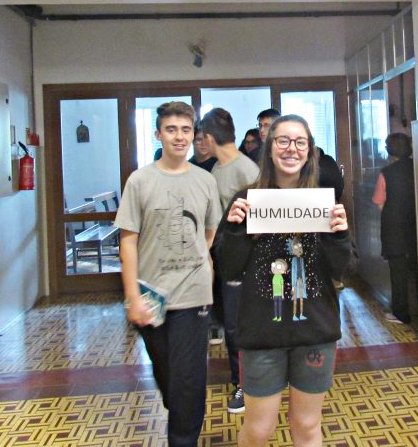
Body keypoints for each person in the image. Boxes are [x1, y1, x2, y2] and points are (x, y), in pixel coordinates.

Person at [215, 114, 353, 447]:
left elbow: (341, 270)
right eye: (283, 140)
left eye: (300, 142)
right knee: (259, 429)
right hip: (262, 333)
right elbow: (229, 270)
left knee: (307, 424)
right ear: (269, 147)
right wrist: (234, 230)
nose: (292, 148)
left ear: (309, 150)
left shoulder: (324, 203)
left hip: (315, 332)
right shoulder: (246, 200)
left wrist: (340, 236)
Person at [114, 101, 222, 447]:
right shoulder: (140, 181)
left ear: (194, 135)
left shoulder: (205, 180)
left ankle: (183, 437)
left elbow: (209, 231)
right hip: (152, 295)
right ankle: (180, 406)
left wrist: (199, 260)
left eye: (186, 130)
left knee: (189, 378)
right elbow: (128, 241)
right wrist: (132, 296)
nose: (179, 137)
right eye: (171, 129)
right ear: (157, 134)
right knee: (169, 374)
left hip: (194, 293)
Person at [200, 107, 260, 414]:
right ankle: (243, 380)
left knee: (239, 327)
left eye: (201, 138)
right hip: (224, 259)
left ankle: (245, 386)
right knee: (231, 325)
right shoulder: (217, 169)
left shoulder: (246, 170)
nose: (199, 144)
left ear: (210, 138)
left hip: (245, 262)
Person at [372, 132, 418, 325]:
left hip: (395, 230)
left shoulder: (387, 172)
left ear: (390, 150)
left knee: (398, 273)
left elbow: (378, 201)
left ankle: (401, 313)